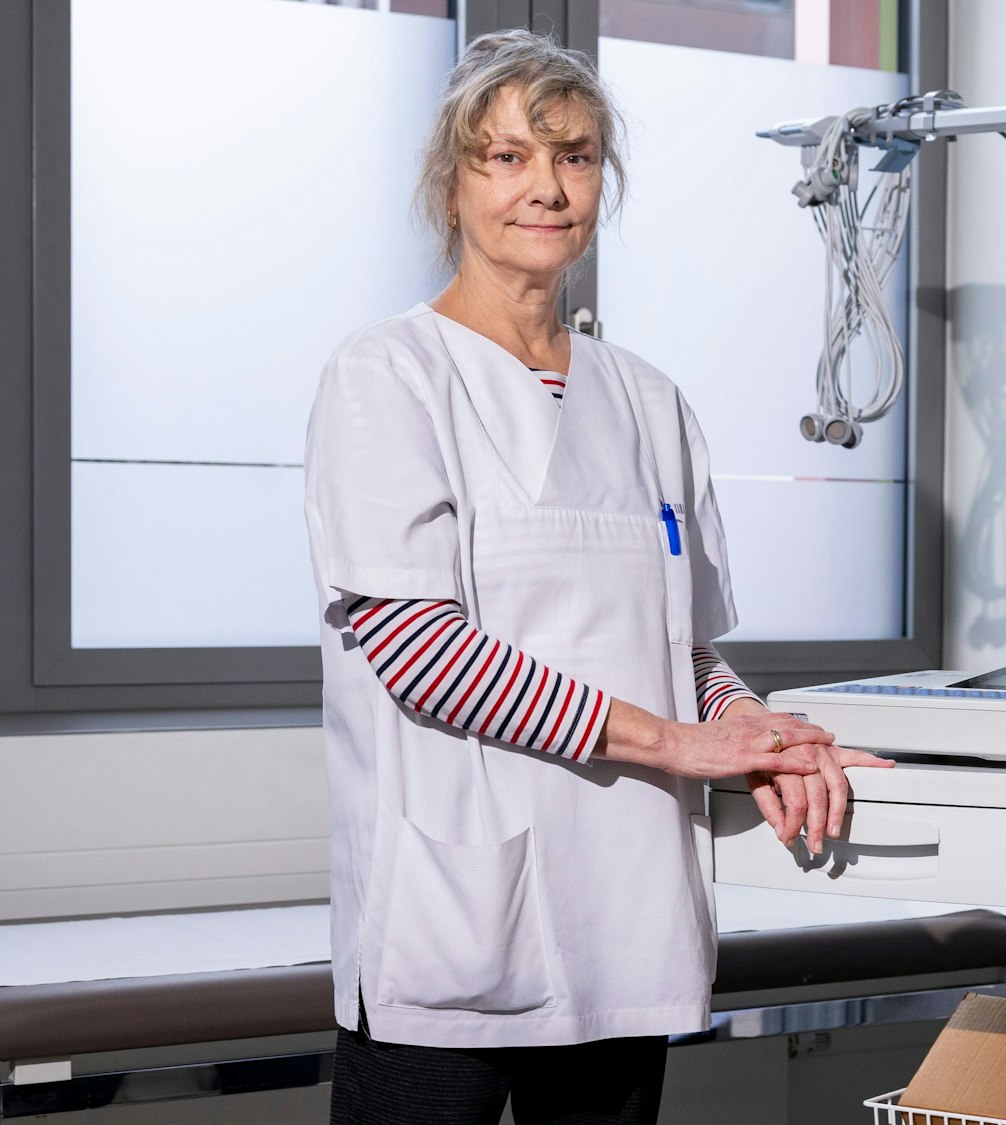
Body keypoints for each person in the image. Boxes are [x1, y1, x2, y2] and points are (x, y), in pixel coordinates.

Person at [303, 29, 887, 1125]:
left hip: (622, 910)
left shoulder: (647, 398)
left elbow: (684, 648)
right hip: (453, 918)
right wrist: (685, 746)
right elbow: (421, 657)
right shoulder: (389, 376)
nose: (546, 186)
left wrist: (756, 727)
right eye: (507, 156)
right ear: (452, 181)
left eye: (573, 156)